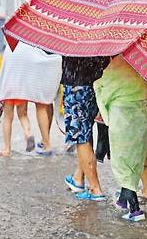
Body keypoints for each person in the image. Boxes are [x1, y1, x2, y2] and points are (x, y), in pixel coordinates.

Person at [93, 55, 147, 222]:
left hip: (122, 118)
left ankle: (135, 209)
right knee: (134, 159)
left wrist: (97, 85)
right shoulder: (143, 63)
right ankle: (122, 200)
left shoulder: (115, 67)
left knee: (122, 160)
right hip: (142, 116)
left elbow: (103, 89)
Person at [0, 42, 62, 157]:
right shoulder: (30, 46)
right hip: (22, 88)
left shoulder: (10, 47)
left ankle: (7, 148)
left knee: (8, 118)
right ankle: (29, 133)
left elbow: (2, 70)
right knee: (23, 114)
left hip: (8, 88)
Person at [61, 57, 110, 201]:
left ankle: (95, 188)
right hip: (98, 82)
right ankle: (78, 178)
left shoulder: (74, 36)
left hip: (76, 84)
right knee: (86, 131)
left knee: (80, 137)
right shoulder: (99, 35)